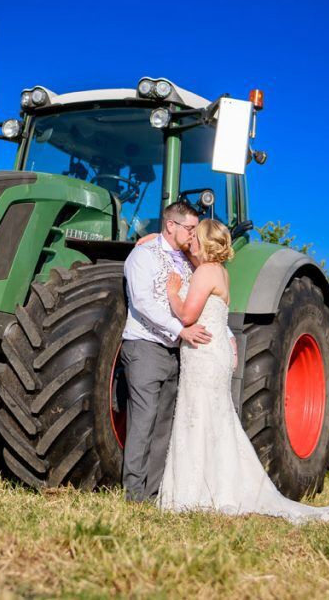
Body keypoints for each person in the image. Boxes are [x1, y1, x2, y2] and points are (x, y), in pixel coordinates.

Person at [157, 219, 329, 524]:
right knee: (213, 417)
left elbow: (187, 314)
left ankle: (195, 491)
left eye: (195, 236)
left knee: (200, 414)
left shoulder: (205, 272)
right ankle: (210, 486)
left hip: (204, 353)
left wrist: (171, 293)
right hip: (214, 351)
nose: (190, 240)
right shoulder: (220, 272)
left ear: (205, 242)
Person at [120, 201, 212, 503]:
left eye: (195, 230)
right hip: (145, 346)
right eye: (189, 228)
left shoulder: (188, 262)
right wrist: (179, 329)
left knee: (163, 427)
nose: (192, 234)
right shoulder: (143, 256)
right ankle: (133, 494)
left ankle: (153, 492)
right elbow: (143, 303)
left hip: (176, 353)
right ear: (170, 225)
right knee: (143, 421)